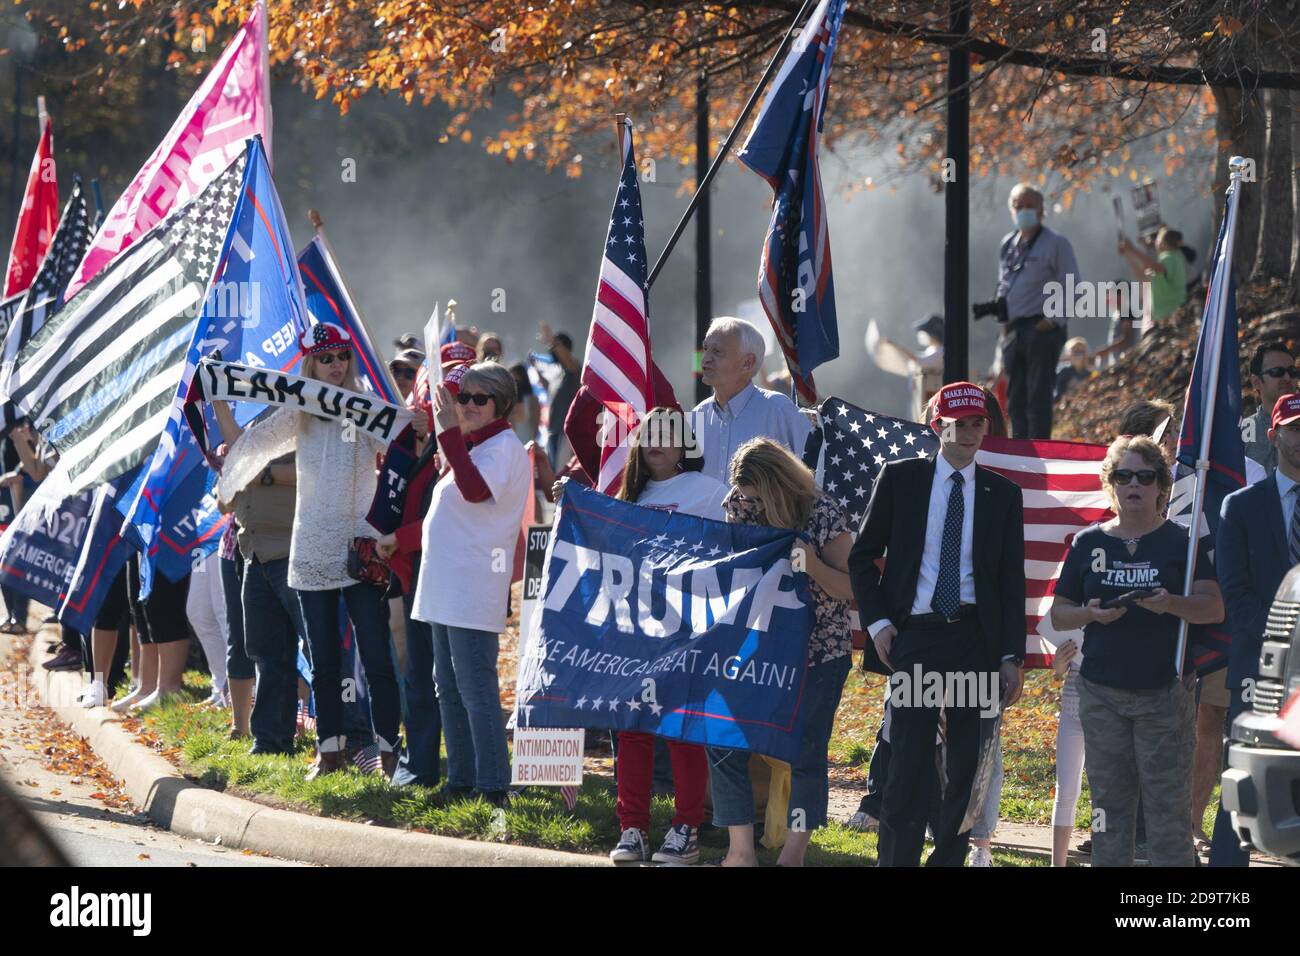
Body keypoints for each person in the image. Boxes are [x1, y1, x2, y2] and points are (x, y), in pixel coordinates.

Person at [847, 382, 1025, 866]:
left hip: (976, 641)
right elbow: (863, 558)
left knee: (967, 771)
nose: (968, 433)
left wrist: (1012, 656)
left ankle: (947, 859)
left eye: (977, 423)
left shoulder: (1003, 494)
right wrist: (879, 621)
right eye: (958, 423)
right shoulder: (901, 478)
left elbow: (1011, 583)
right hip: (916, 638)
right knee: (907, 762)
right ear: (935, 424)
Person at [213, 322, 401, 779]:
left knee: (375, 655)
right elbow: (251, 447)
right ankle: (329, 750)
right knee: (322, 657)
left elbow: (399, 443)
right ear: (310, 363)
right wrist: (219, 399)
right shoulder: (297, 413)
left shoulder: (367, 408)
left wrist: (408, 415)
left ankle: (391, 752)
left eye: (341, 357)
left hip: (359, 547)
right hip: (312, 546)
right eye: (326, 358)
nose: (335, 366)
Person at [1050, 435, 1223, 867]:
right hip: (1101, 693)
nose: (1134, 485)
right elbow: (1059, 614)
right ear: (1110, 483)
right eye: (1123, 475)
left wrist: (1172, 604)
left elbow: (1214, 608)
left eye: (1145, 477)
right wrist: (1089, 613)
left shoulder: (1181, 541)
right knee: (1109, 813)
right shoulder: (1089, 543)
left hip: (1165, 693)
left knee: (1167, 818)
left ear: (1162, 485)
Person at [706, 437, 854, 866]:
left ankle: (794, 853)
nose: (746, 503)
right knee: (724, 739)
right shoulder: (740, 502)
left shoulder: (823, 511)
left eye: (756, 495)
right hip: (757, 645)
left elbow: (851, 588)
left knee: (806, 751)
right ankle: (740, 851)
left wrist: (812, 563)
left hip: (818, 650)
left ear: (777, 484)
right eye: (743, 496)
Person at [603, 407, 727, 865]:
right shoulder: (624, 496)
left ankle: (686, 829)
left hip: (687, 632)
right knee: (632, 730)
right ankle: (632, 829)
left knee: (681, 732)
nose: (656, 441)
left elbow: (733, 551)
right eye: (648, 433)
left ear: (685, 444)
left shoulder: (711, 493)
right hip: (632, 632)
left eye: (667, 433)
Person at [411, 362, 530, 804]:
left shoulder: (503, 447)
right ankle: (461, 779)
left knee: (475, 687)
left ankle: (494, 785)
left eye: (480, 398)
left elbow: (476, 492)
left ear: (500, 402)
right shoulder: (477, 444)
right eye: (464, 397)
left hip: (472, 586)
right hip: (447, 586)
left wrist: (447, 434)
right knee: (449, 686)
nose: (469, 405)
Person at [1209, 391, 1300, 866]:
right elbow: (1234, 590)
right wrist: (1284, 649)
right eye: (1294, 428)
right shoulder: (1240, 506)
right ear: (1274, 434)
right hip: (1261, 666)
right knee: (1245, 776)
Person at [375, 375, 442, 788]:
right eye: (421, 398)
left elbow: (442, 516)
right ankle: (420, 763)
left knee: (446, 681)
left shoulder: (455, 449)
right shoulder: (409, 445)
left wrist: (400, 537)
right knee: (418, 673)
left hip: (446, 577)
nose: (422, 409)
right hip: (412, 573)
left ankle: (468, 770)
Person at [994, 182, 1079, 440]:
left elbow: (1072, 284)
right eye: (1018, 206)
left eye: (1030, 206)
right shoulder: (1008, 244)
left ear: (1042, 209)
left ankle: (1040, 451)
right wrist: (1003, 325)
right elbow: (1003, 286)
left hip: (1042, 329)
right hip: (1014, 331)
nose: (1024, 211)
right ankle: (1020, 451)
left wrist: (1052, 320)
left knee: (1038, 397)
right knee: (1015, 398)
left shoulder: (1056, 243)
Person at [693, 316, 812, 484]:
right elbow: (686, 483)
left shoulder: (779, 411)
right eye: (705, 348)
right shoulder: (696, 415)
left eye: (717, 351)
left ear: (747, 363)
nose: (705, 358)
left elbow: (813, 475)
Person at [1049, 634, 1086, 866]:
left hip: (1107, 713)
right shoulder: (1075, 615)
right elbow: (1058, 671)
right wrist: (1059, 664)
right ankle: (1057, 863)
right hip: (1072, 709)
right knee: (1065, 790)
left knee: (1104, 794)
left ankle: (1104, 856)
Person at [1244, 341, 1297, 474]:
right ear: (1256, 382)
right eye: (1277, 372)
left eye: (1292, 371)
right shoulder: (1240, 433)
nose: (1287, 378)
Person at [1119, 226, 1188, 326]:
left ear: (1162, 243)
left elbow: (1154, 267)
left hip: (1170, 313)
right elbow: (1145, 273)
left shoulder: (1169, 257)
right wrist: (1128, 253)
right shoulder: (1174, 258)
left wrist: (1133, 250)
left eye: (1158, 239)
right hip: (1168, 314)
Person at [537, 322, 581, 470]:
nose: (551, 350)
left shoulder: (573, 369)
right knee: (554, 471)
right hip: (553, 431)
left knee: (563, 473)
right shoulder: (558, 374)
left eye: (555, 347)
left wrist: (553, 341)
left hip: (566, 433)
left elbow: (568, 360)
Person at [1054, 336, 1095, 402]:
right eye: (1075, 352)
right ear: (1068, 354)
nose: (1079, 355)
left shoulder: (1090, 373)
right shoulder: (1063, 373)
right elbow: (1058, 396)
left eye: (1082, 351)